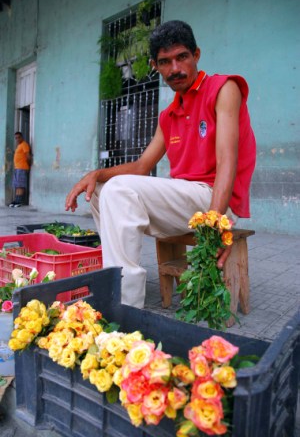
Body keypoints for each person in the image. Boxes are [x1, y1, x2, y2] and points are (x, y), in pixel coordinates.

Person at [65, 20, 256, 308]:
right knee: (102, 191)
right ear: (155, 65)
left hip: (217, 198)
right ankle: (116, 276)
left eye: (182, 57)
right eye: (165, 62)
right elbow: (143, 166)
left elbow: (227, 161)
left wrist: (216, 226)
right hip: (186, 200)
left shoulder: (223, 88)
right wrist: (96, 174)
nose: (175, 69)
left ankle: (124, 307)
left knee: (119, 191)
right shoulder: (168, 115)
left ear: (197, 55)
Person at [9, 131, 31, 208]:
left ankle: (19, 201)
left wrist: (28, 165)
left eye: (19, 137)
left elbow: (28, 156)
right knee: (17, 185)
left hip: (22, 167)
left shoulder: (24, 144)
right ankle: (16, 200)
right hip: (17, 168)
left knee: (21, 185)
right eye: (16, 138)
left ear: (22, 137)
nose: (17, 139)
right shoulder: (19, 146)